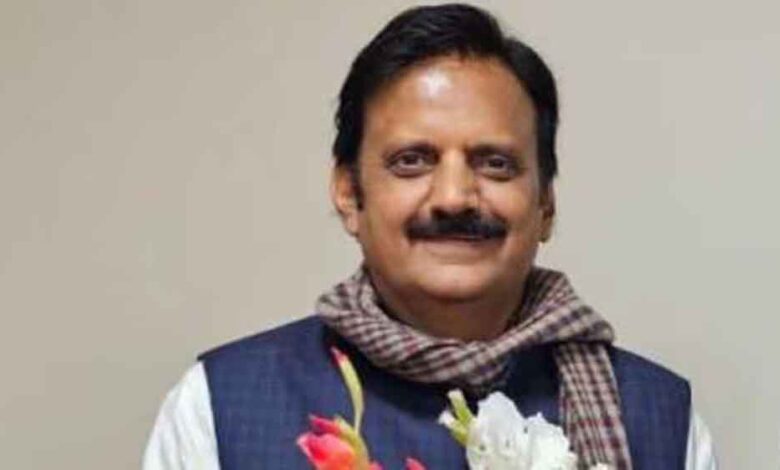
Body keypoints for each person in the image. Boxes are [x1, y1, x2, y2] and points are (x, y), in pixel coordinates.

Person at [143, 4, 716, 469]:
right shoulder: (221, 407)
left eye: (495, 163)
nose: (454, 197)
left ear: (545, 203)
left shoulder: (660, 418)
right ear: (349, 193)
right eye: (412, 161)